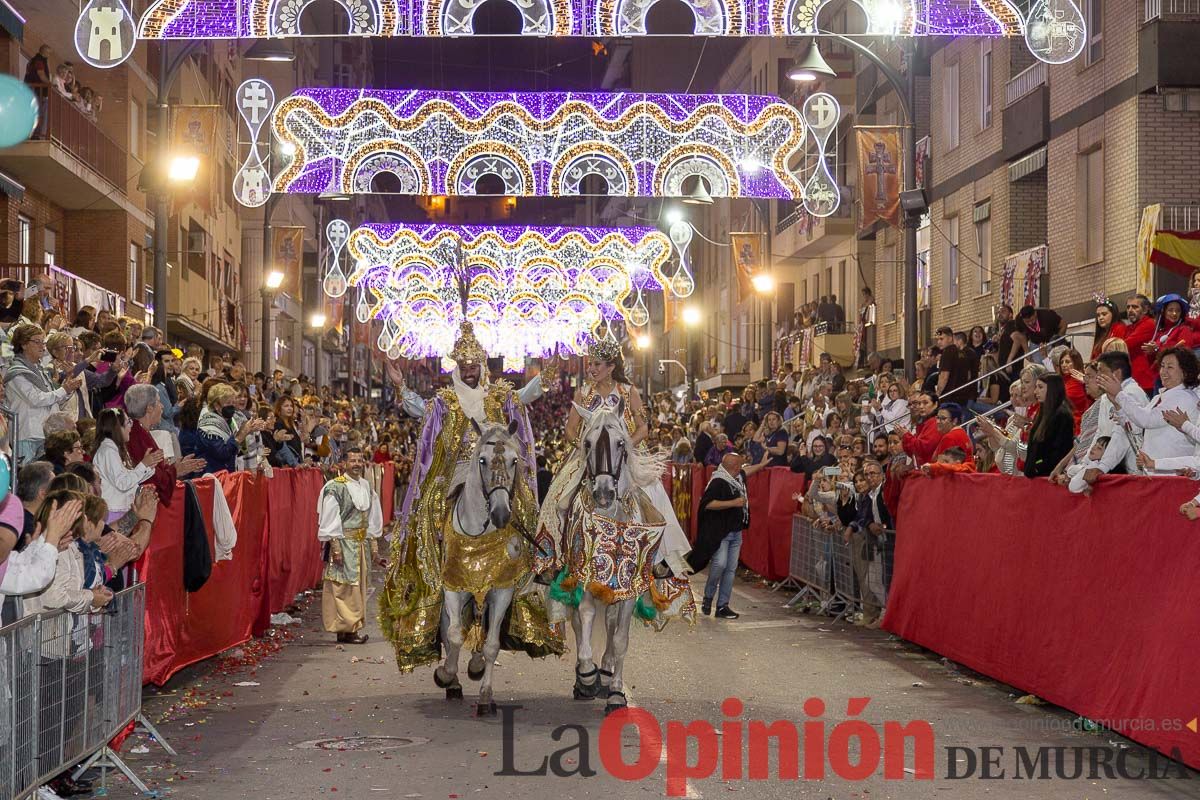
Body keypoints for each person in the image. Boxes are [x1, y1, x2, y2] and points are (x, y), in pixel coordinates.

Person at [381, 322, 561, 672]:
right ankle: (429, 568)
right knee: (428, 511)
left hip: (493, 466)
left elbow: (525, 396)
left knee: (522, 505)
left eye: (473, 364)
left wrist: (545, 376)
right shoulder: (445, 402)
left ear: (482, 365)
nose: (468, 370)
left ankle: (532, 571)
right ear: (456, 368)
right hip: (458, 469)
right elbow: (418, 409)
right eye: (462, 366)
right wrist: (400, 384)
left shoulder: (500, 396)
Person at [686, 449, 769, 619]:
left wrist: (762, 465)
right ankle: (708, 598)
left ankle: (723, 606)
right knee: (719, 565)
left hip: (736, 532)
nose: (743, 467)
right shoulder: (719, 481)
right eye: (740, 464)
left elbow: (748, 471)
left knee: (731, 569)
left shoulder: (737, 477)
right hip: (721, 533)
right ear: (735, 466)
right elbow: (707, 504)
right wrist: (734, 503)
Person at [318, 448, 383, 644]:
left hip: (360, 545)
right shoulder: (335, 487)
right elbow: (330, 519)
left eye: (360, 460)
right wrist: (336, 548)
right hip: (344, 544)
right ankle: (346, 628)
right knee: (342, 587)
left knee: (358, 587)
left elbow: (372, 519)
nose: (356, 464)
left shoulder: (366, 486)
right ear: (344, 463)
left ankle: (350, 628)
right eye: (352, 460)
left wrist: (374, 549)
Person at [5, 324, 82, 465]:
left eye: (43, 342)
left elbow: (53, 399)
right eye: (37, 341)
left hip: (45, 434)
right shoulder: (17, 373)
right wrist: (63, 389)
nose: (42, 346)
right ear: (23, 344)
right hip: (27, 435)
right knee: (30, 478)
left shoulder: (40, 371)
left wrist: (68, 389)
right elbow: (36, 399)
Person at [91, 408, 162, 523]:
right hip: (114, 511)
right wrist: (143, 465)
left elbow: (129, 478)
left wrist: (149, 465)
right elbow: (123, 483)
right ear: (117, 427)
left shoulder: (114, 448)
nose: (131, 427)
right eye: (128, 422)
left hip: (121, 509)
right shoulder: (107, 451)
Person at [1024, 374, 1075, 478]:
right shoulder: (1043, 413)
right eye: (1036, 387)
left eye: (1040, 387)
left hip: (1048, 476)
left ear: (1052, 389)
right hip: (1038, 476)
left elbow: (1060, 451)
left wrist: (1037, 467)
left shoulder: (1062, 415)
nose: (1035, 391)